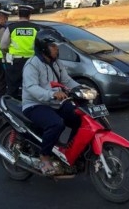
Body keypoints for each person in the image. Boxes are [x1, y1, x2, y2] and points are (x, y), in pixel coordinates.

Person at [22, 29, 81, 174]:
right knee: (56, 123)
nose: (57, 48)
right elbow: (31, 88)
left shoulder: (56, 63)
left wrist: (83, 89)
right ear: (43, 47)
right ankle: (44, 156)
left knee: (79, 118)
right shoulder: (32, 64)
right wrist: (52, 94)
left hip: (53, 103)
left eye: (56, 46)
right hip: (34, 104)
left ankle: (70, 152)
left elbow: (67, 80)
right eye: (53, 46)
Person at [0, 5, 40, 98]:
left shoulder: (11, 27)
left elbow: (3, 45)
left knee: (12, 88)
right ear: (29, 15)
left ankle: (11, 110)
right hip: (32, 62)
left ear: (18, 14)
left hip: (15, 62)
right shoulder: (36, 28)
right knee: (31, 88)